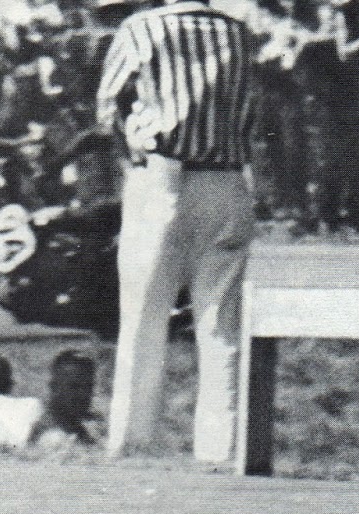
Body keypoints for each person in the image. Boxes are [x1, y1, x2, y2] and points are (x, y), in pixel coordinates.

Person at [95, 0, 258, 464]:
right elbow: (250, 117)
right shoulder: (239, 34)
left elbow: (107, 108)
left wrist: (129, 155)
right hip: (228, 179)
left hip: (163, 174)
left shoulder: (142, 27)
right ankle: (220, 447)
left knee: (143, 319)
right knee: (220, 324)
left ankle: (130, 442)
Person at [31, 348, 99, 448]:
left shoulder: (72, 426)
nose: (83, 394)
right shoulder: (53, 438)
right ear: (54, 388)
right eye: (74, 387)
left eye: (88, 387)